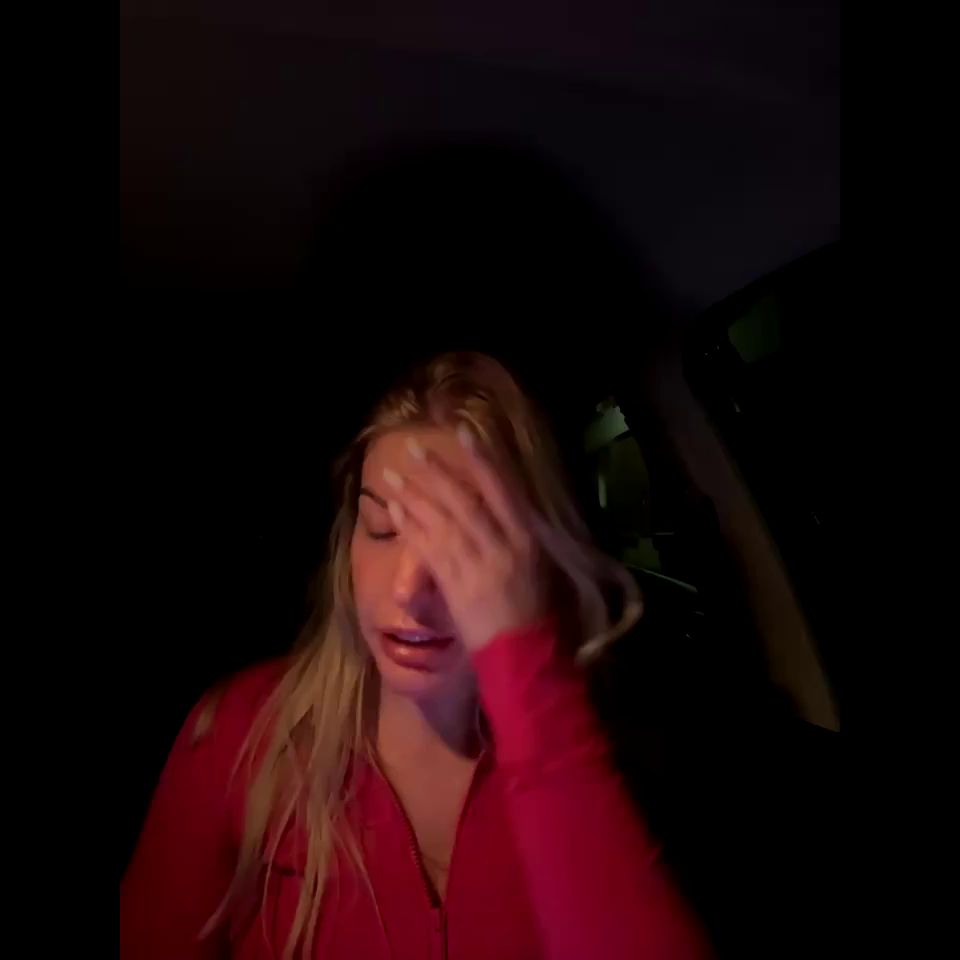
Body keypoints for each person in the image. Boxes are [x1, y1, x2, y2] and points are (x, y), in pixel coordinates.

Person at [121, 352, 713, 960]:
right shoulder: (236, 739)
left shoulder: (616, 757)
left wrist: (529, 676)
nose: (408, 589)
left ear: (536, 554)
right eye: (381, 529)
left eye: (466, 542)